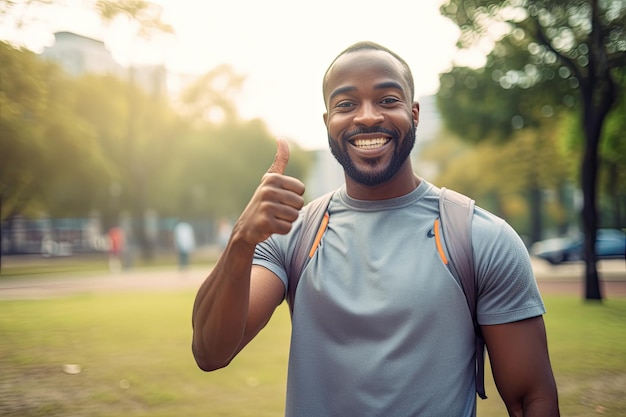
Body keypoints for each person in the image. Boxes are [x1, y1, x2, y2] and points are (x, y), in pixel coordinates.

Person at [192, 41, 560, 416]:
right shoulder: (292, 236)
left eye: (387, 100)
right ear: (327, 123)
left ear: (413, 114)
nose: (367, 117)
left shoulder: (482, 238)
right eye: (346, 104)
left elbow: (531, 398)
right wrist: (241, 240)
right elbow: (210, 352)